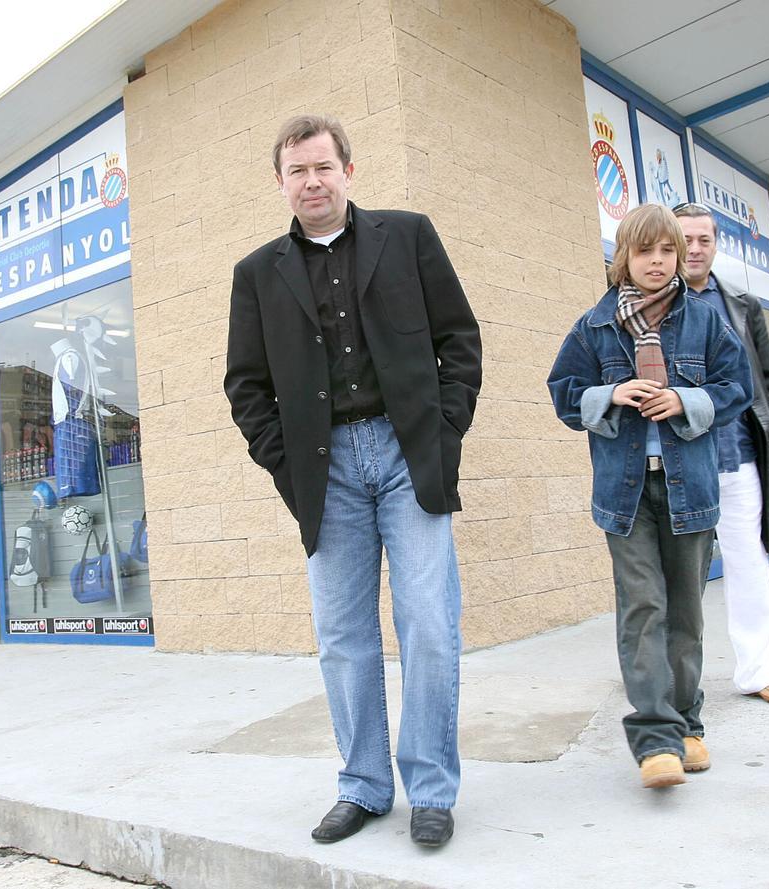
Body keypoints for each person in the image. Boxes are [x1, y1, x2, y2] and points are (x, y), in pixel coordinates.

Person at [224, 114, 481, 847]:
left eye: (323, 167)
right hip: (324, 471)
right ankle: (364, 785)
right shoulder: (256, 273)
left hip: (409, 457)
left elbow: (458, 340)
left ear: (348, 171)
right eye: (297, 171)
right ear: (281, 182)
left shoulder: (409, 236)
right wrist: (287, 466)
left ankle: (431, 787)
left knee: (429, 623)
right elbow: (246, 385)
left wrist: (443, 433)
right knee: (343, 636)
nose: (312, 181)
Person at [547, 204, 753, 789]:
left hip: (692, 491)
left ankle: (688, 725)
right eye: (646, 253)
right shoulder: (593, 327)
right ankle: (655, 738)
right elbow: (564, 395)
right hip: (625, 495)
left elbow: (736, 387)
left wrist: (687, 401)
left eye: (668, 251)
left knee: (685, 610)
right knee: (643, 608)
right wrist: (612, 394)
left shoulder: (707, 322)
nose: (659, 262)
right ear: (624, 260)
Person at [672, 203, 769, 707]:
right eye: (686, 240)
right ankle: (674, 682)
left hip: (739, 456)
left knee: (749, 564)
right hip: (682, 459)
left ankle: (758, 669)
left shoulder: (742, 304)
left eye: (705, 239)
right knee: (679, 573)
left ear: (715, 244)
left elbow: (764, 383)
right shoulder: (650, 303)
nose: (696, 249)